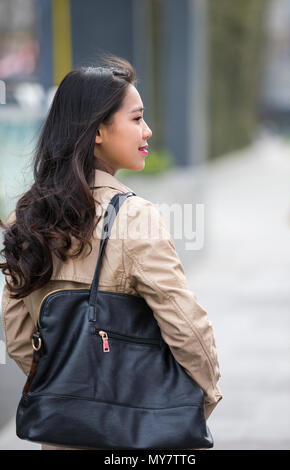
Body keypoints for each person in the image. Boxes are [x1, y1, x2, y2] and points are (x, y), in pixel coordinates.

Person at [0, 54, 222, 450]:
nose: (147, 131)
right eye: (136, 119)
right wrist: (198, 402)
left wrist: (64, 394)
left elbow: (18, 336)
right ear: (98, 130)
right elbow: (188, 330)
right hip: (134, 433)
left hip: (60, 432)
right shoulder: (135, 217)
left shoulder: (27, 217)